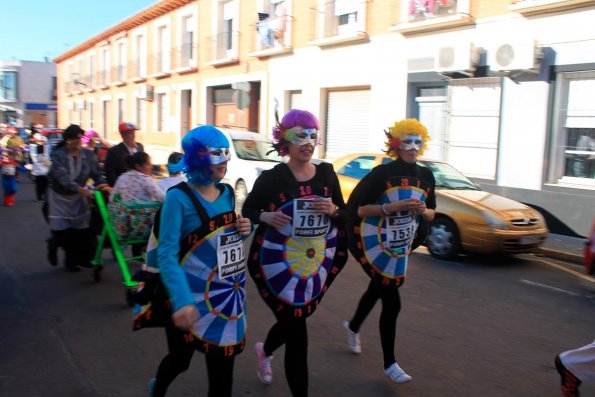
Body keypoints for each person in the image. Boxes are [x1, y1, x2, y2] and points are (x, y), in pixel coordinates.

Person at [242, 109, 348, 396]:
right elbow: (248, 209)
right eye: (300, 135)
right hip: (277, 266)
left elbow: (346, 216)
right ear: (284, 140)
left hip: (311, 266)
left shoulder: (326, 173)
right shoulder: (272, 177)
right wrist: (265, 217)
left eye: (313, 135)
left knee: (293, 321)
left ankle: (265, 350)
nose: (308, 142)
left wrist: (334, 209)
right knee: (298, 334)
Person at [144, 125, 251, 397]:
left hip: (222, 296)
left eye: (226, 153)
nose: (224, 160)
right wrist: (181, 302)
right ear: (196, 158)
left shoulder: (227, 193)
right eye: (216, 153)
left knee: (222, 374)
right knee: (180, 361)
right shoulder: (177, 198)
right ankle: (158, 388)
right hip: (187, 296)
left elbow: (221, 243)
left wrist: (243, 231)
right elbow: (167, 253)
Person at [342, 118, 436, 384]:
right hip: (376, 246)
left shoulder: (426, 176)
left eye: (417, 141)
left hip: (400, 248)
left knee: (376, 289)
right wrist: (390, 208)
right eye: (407, 141)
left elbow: (432, 212)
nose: (412, 147)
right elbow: (358, 210)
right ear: (396, 144)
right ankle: (390, 364)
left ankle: (353, 326)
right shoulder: (381, 175)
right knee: (392, 301)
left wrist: (423, 211)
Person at [47, 124, 111, 272]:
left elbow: (97, 174)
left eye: (81, 137)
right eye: (77, 138)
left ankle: (74, 262)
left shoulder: (88, 155)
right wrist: (83, 190)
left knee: (80, 231)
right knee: (63, 232)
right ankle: (54, 243)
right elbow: (63, 178)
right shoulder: (58, 155)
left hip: (77, 197)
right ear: (69, 140)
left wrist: (105, 186)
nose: (80, 140)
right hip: (59, 197)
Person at [104, 122, 144, 186]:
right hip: (123, 187)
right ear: (122, 135)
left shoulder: (140, 147)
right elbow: (110, 173)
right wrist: (120, 187)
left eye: (133, 132)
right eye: (129, 133)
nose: (132, 136)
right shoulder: (114, 151)